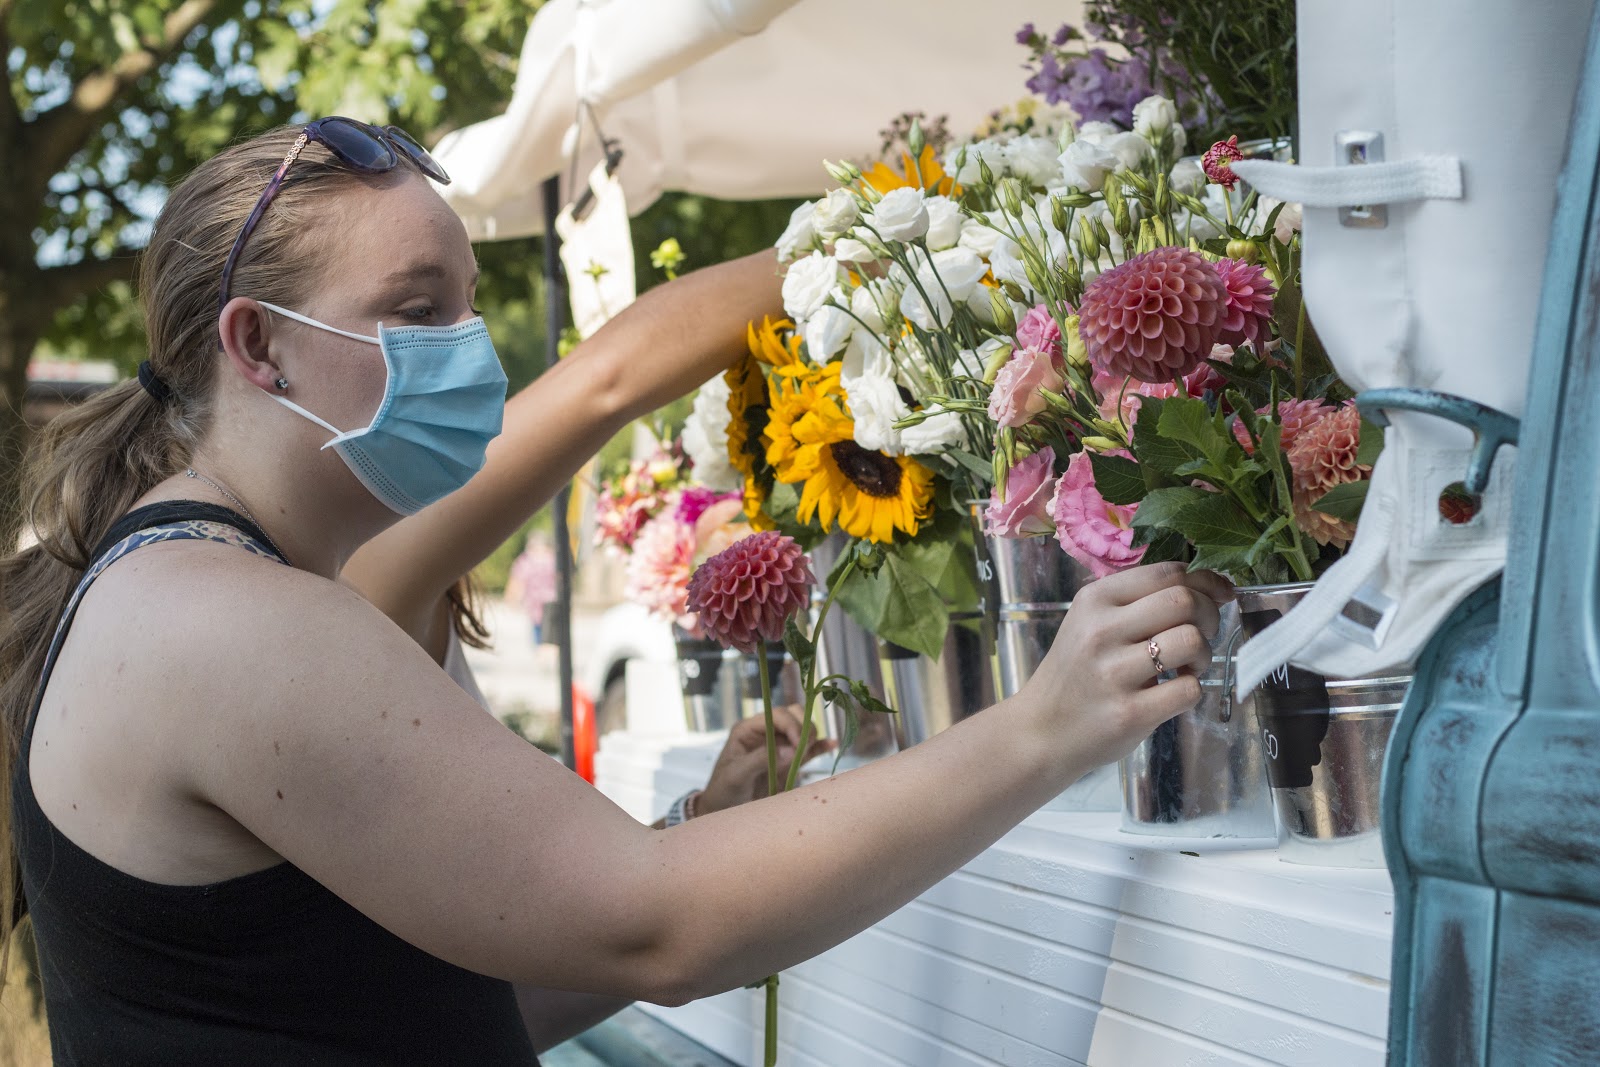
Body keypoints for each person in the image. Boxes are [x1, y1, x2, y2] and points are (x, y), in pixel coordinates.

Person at [0, 119, 1230, 1064]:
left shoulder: (208, 585)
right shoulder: (234, 621)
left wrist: (695, 836)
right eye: (415, 311)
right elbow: (657, 928)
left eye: (470, 305)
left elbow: (461, 988)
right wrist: (1041, 724)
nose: (470, 351)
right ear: (255, 346)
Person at [504, 535, 556, 645]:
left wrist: (512, 597)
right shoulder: (553, 559)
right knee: (548, 628)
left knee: (538, 627)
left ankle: (541, 647)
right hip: (549, 601)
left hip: (537, 602)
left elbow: (517, 581)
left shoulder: (525, 561)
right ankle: (545, 648)